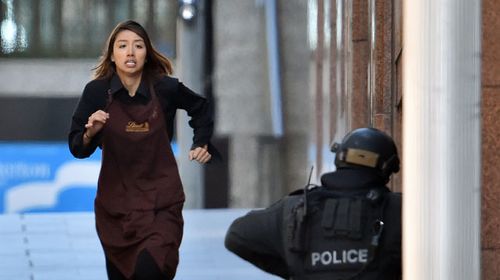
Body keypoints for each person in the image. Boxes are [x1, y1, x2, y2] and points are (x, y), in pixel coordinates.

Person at [68, 20, 214, 280]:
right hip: (115, 211)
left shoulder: (166, 88)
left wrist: (200, 141)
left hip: (161, 205)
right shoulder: (96, 92)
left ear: (147, 54)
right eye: (122, 46)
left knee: (149, 271)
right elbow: (77, 147)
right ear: (112, 55)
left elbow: (200, 108)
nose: (130, 52)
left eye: (138, 46)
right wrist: (91, 131)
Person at [225, 127, 402, 280]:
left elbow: (236, 236)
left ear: (340, 158)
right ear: (386, 169)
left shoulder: (294, 210)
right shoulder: (399, 210)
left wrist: (294, 268)